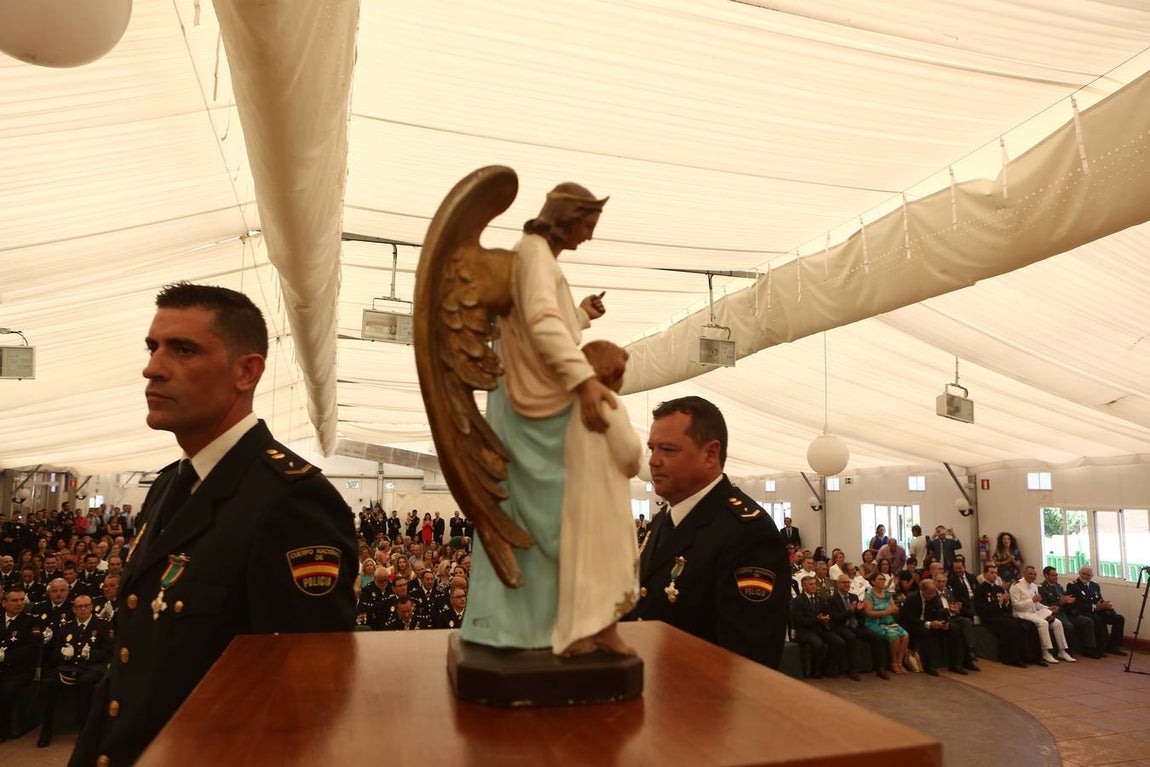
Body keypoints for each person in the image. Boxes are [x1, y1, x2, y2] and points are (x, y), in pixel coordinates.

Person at [69, 283, 357, 767]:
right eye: (153, 347)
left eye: (182, 350)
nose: (153, 367)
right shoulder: (169, 486)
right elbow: (132, 664)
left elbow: (307, 699)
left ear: (246, 371)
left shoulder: (291, 500)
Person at [461, 182, 614, 650]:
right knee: (556, 512)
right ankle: (542, 625)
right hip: (534, 409)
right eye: (586, 226)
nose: (588, 236)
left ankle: (532, 624)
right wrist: (584, 380)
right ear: (565, 219)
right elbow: (544, 324)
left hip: (528, 399)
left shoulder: (536, 258)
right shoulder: (533, 256)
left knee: (537, 511)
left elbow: (536, 324)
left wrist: (581, 316)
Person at [624, 396, 790, 667]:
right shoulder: (665, 519)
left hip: (699, 701)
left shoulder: (746, 531)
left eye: (667, 450)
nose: (652, 461)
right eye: (651, 448)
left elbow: (748, 656)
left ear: (710, 454)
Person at [552, 341, 643, 656]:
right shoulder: (609, 402)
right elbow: (630, 456)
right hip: (606, 500)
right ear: (612, 372)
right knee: (609, 565)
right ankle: (606, 631)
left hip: (573, 499)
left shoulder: (564, 406)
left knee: (579, 565)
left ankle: (576, 634)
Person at [37, 594, 113, 748]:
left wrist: (90, 654)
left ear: (92, 607)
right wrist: (66, 657)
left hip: (93, 668)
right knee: (47, 684)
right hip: (69, 667)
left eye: (86, 605)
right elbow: (56, 655)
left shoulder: (104, 626)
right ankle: (47, 729)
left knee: (84, 683)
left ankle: (85, 731)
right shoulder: (66, 628)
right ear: (73, 609)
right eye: (79, 606)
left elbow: (109, 652)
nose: (83, 609)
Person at [827, 574, 888, 680]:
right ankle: (853, 669)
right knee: (851, 638)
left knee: (877, 637)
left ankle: (880, 668)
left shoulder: (853, 597)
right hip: (842, 627)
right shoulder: (832, 599)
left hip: (856, 626)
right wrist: (850, 611)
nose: (847, 584)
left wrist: (860, 610)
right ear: (838, 584)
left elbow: (859, 616)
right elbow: (836, 618)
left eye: (848, 582)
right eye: (844, 582)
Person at [0, 588, 41, 742]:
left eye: (21, 600)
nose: (19, 603)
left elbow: (32, 649)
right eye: (14, 600)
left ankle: (2, 730)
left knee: (5, 691)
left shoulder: (31, 621)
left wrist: (5, 657)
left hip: (20, 670)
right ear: (4, 603)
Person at [1011, 565, 1075, 664]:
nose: (1033, 576)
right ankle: (1046, 653)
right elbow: (1016, 606)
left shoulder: (1034, 585)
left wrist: (1048, 608)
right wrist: (1031, 600)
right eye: (1030, 574)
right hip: (1022, 613)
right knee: (1043, 623)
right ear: (1024, 574)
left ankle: (1062, 651)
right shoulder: (1016, 586)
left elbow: (1037, 604)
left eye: (1035, 574)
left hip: (1034, 611)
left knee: (1057, 622)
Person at [1039, 566, 1099, 657]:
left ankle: (1089, 649)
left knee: (1087, 621)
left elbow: (1065, 600)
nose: (1056, 577)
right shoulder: (1041, 588)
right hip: (1053, 614)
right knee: (1068, 626)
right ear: (1045, 575)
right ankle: (1066, 651)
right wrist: (1061, 602)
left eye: (1056, 575)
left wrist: (1069, 600)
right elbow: (1044, 606)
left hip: (1065, 612)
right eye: (1053, 575)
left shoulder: (1058, 586)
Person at [1066, 566, 1126, 655]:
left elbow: (1099, 600)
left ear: (1092, 576)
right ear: (1079, 573)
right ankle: (1098, 648)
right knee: (1097, 619)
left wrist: (1105, 605)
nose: (1085, 576)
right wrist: (1095, 607)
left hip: (1098, 610)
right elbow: (1076, 604)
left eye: (1088, 575)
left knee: (1119, 618)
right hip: (1083, 612)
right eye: (1083, 574)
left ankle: (1113, 646)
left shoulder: (1095, 585)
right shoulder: (1073, 586)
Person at [862, 573, 909, 674]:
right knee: (894, 636)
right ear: (873, 582)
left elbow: (893, 608)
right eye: (880, 579)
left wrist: (895, 609)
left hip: (889, 621)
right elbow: (868, 612)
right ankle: (893, 663)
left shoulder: (887, 594)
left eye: (884, 579)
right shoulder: (869, 594)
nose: (883, 581)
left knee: (905, 635)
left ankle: (900, 662)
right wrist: (886, 611)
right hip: (875, 623)